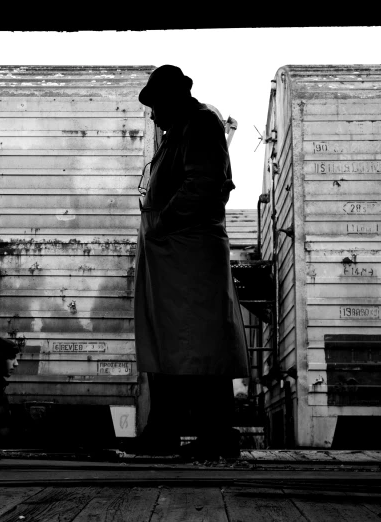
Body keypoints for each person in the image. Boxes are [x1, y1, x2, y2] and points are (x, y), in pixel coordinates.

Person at [133, 65, 249, 459]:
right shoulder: (180, 131)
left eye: (155, 105)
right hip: (173, 256)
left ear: (173, 99)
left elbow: (202, 185)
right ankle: (165, 429)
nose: (152, 115)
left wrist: (161, 225)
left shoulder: (200, 125)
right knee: (170, 343)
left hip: (187, 255)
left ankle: (215, 433)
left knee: (197, 344)